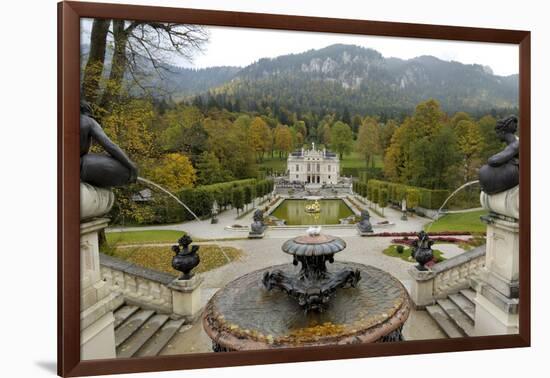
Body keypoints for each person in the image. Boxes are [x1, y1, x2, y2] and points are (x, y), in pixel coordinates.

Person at [80, 101, 138, 188]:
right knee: (125, 170)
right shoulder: (88, 121)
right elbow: (110, 146)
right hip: (76, 167)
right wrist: (131, 165)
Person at [478, 115, 519, 195]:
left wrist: (490, 159)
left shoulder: (516, 144)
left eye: (497, 133)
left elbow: (494, 161)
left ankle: (489, 188)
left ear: (503, 132)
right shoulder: (513, 144)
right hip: (516, 172)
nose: (497, 136)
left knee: (484, 170)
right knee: (485, 171)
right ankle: (489, 188)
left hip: (518, 173)